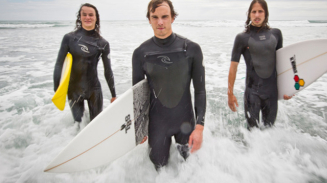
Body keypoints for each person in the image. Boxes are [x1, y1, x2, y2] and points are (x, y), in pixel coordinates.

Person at [132, 0, 206, 170]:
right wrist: (140, 128)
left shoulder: (192, 49)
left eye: (165, 16)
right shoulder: (140, 53)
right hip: (158, 125)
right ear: (149, 19)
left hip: (186, 122)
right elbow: (138, 96)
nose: (160, 22)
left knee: (190, 169)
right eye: (155, 17)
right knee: (159, 170)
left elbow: (200, 90)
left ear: (173, 18)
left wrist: (200, 128)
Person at [228, 0, 292, 129]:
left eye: (260, 11)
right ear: (249, 14)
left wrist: (288, 88)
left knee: (269, 132)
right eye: (254, 11)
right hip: (252, 93)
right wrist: (230, 93)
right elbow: (233, 67)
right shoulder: (242, 38)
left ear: (266, 14)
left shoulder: (276, 34)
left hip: (272, 93)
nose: (257, 15)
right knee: (252, 133)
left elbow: (282, 64)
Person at [53, 3, 116, 127]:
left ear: (96, 18)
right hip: (73, 90)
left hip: (94, 89)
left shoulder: (103, 43)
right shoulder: (69, 38)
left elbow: (107, 70)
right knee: (78, 126)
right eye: (84, 14)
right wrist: (57, 88)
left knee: (96, 126)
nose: (88, 17)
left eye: (91, 15)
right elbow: (59, 64)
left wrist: (113, 94)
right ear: (80, 17)